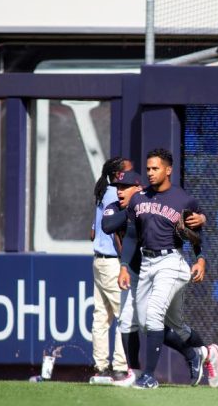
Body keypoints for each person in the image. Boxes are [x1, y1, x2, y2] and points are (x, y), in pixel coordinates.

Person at [102, 170, 218, 388]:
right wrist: (136, 206)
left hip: (163, 269)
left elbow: (189, 227)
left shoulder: (152, 204)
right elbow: (107, 226)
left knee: (169, 324)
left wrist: (201, 249)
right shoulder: (120, 207)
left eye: (125, 187)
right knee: (130, 322)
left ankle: (201, 354)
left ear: (138, 188)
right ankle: (137, 372)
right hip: (135, 272)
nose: (119, 192)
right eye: (117, 188)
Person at [90, 156, 132, 383]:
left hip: (98, 260)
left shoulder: (101, 193)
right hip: (112, 262)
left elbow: (92, 233)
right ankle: (119, 366)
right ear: (118, 175)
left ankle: (100, 365)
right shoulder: (115, 194)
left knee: (101, 316)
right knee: (123, 313)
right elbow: (115, 233)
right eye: (128, 172)